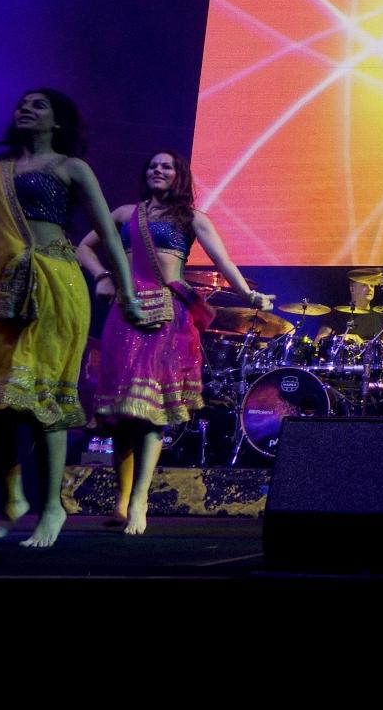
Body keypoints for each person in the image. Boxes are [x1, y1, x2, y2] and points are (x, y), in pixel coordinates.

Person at [0, 89, 147, 548]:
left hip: (56, 284)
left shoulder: (70, 167)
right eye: (22, 103)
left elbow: (110, 238)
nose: (25, 109)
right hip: (2, 286)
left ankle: (53, 506)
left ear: (57, 121)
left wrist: (128, 294)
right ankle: (10, 500)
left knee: (42, 393)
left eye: (38, 105)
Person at [76, 150, 270, 534]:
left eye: (166, 166)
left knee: (151, 411)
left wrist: (251, 297)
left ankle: (139, 501)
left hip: (168, 317)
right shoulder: (122, 214)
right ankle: (120, 500)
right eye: (152, 165)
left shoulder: (192, 219)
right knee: (120, 414)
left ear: (179, 176)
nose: (157, 170)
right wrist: (101, 275)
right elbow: (82, 247)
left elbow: (223, 262)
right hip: (126, 312)